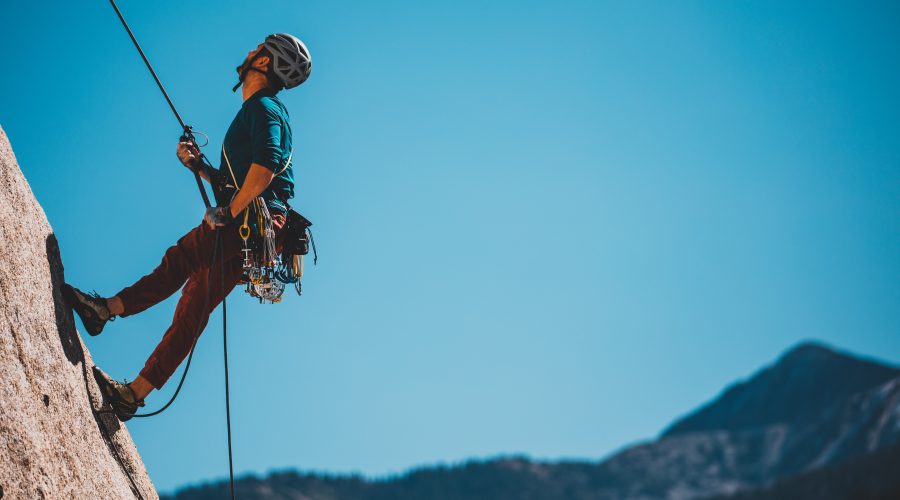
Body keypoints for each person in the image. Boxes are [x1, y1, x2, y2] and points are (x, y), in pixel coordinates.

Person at [62, 33, 312, 421]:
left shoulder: (264, 108)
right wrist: (200, 167)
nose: (248, 52)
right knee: (194, 304)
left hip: (252, 219)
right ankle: (133, 394)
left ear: (263, 63)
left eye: (256, 49)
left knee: (179, 261)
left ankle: (103, 310)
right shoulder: (260, 109)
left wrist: (228, 212)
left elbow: (264, 170)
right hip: (264, 230)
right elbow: (250, 177)